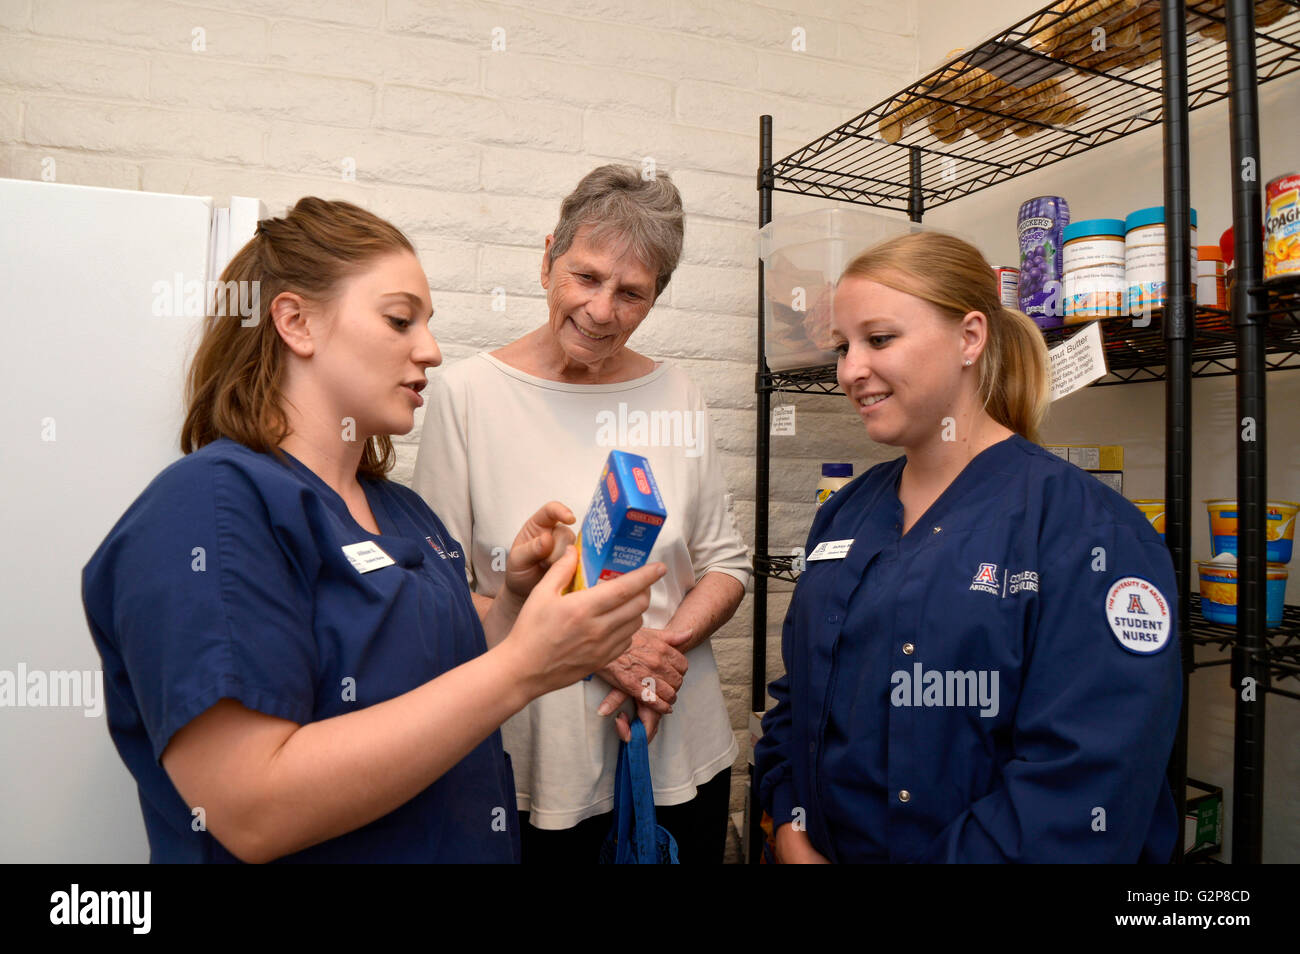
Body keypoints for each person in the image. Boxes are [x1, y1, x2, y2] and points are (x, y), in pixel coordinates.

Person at [81, 197, 664, 863]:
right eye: (399, 320)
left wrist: (511, 607)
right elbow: (250, 809)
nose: (433, 351)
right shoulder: (208, 510)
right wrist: (521, 670)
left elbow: (435, 673)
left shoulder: (401, 512)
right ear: (296, 322)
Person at [753, 231, 1182, 863]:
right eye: (843, 347)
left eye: (879, 339)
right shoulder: (846, 512)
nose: (850, 371)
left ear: (970, 338)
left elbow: (1085, 785)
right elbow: (801, 696)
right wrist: (791, 829)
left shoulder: (1089, 534)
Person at [412, 165, 750, 864]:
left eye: (632, 294)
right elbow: (439, 595)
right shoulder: (467, 396)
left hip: (677, 746)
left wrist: (662, 651)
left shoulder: (678, 392)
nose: (602, 311)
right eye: (587, 277)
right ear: (546, 260)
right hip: (537, 762)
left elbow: (725, 563)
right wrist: (605, 647)